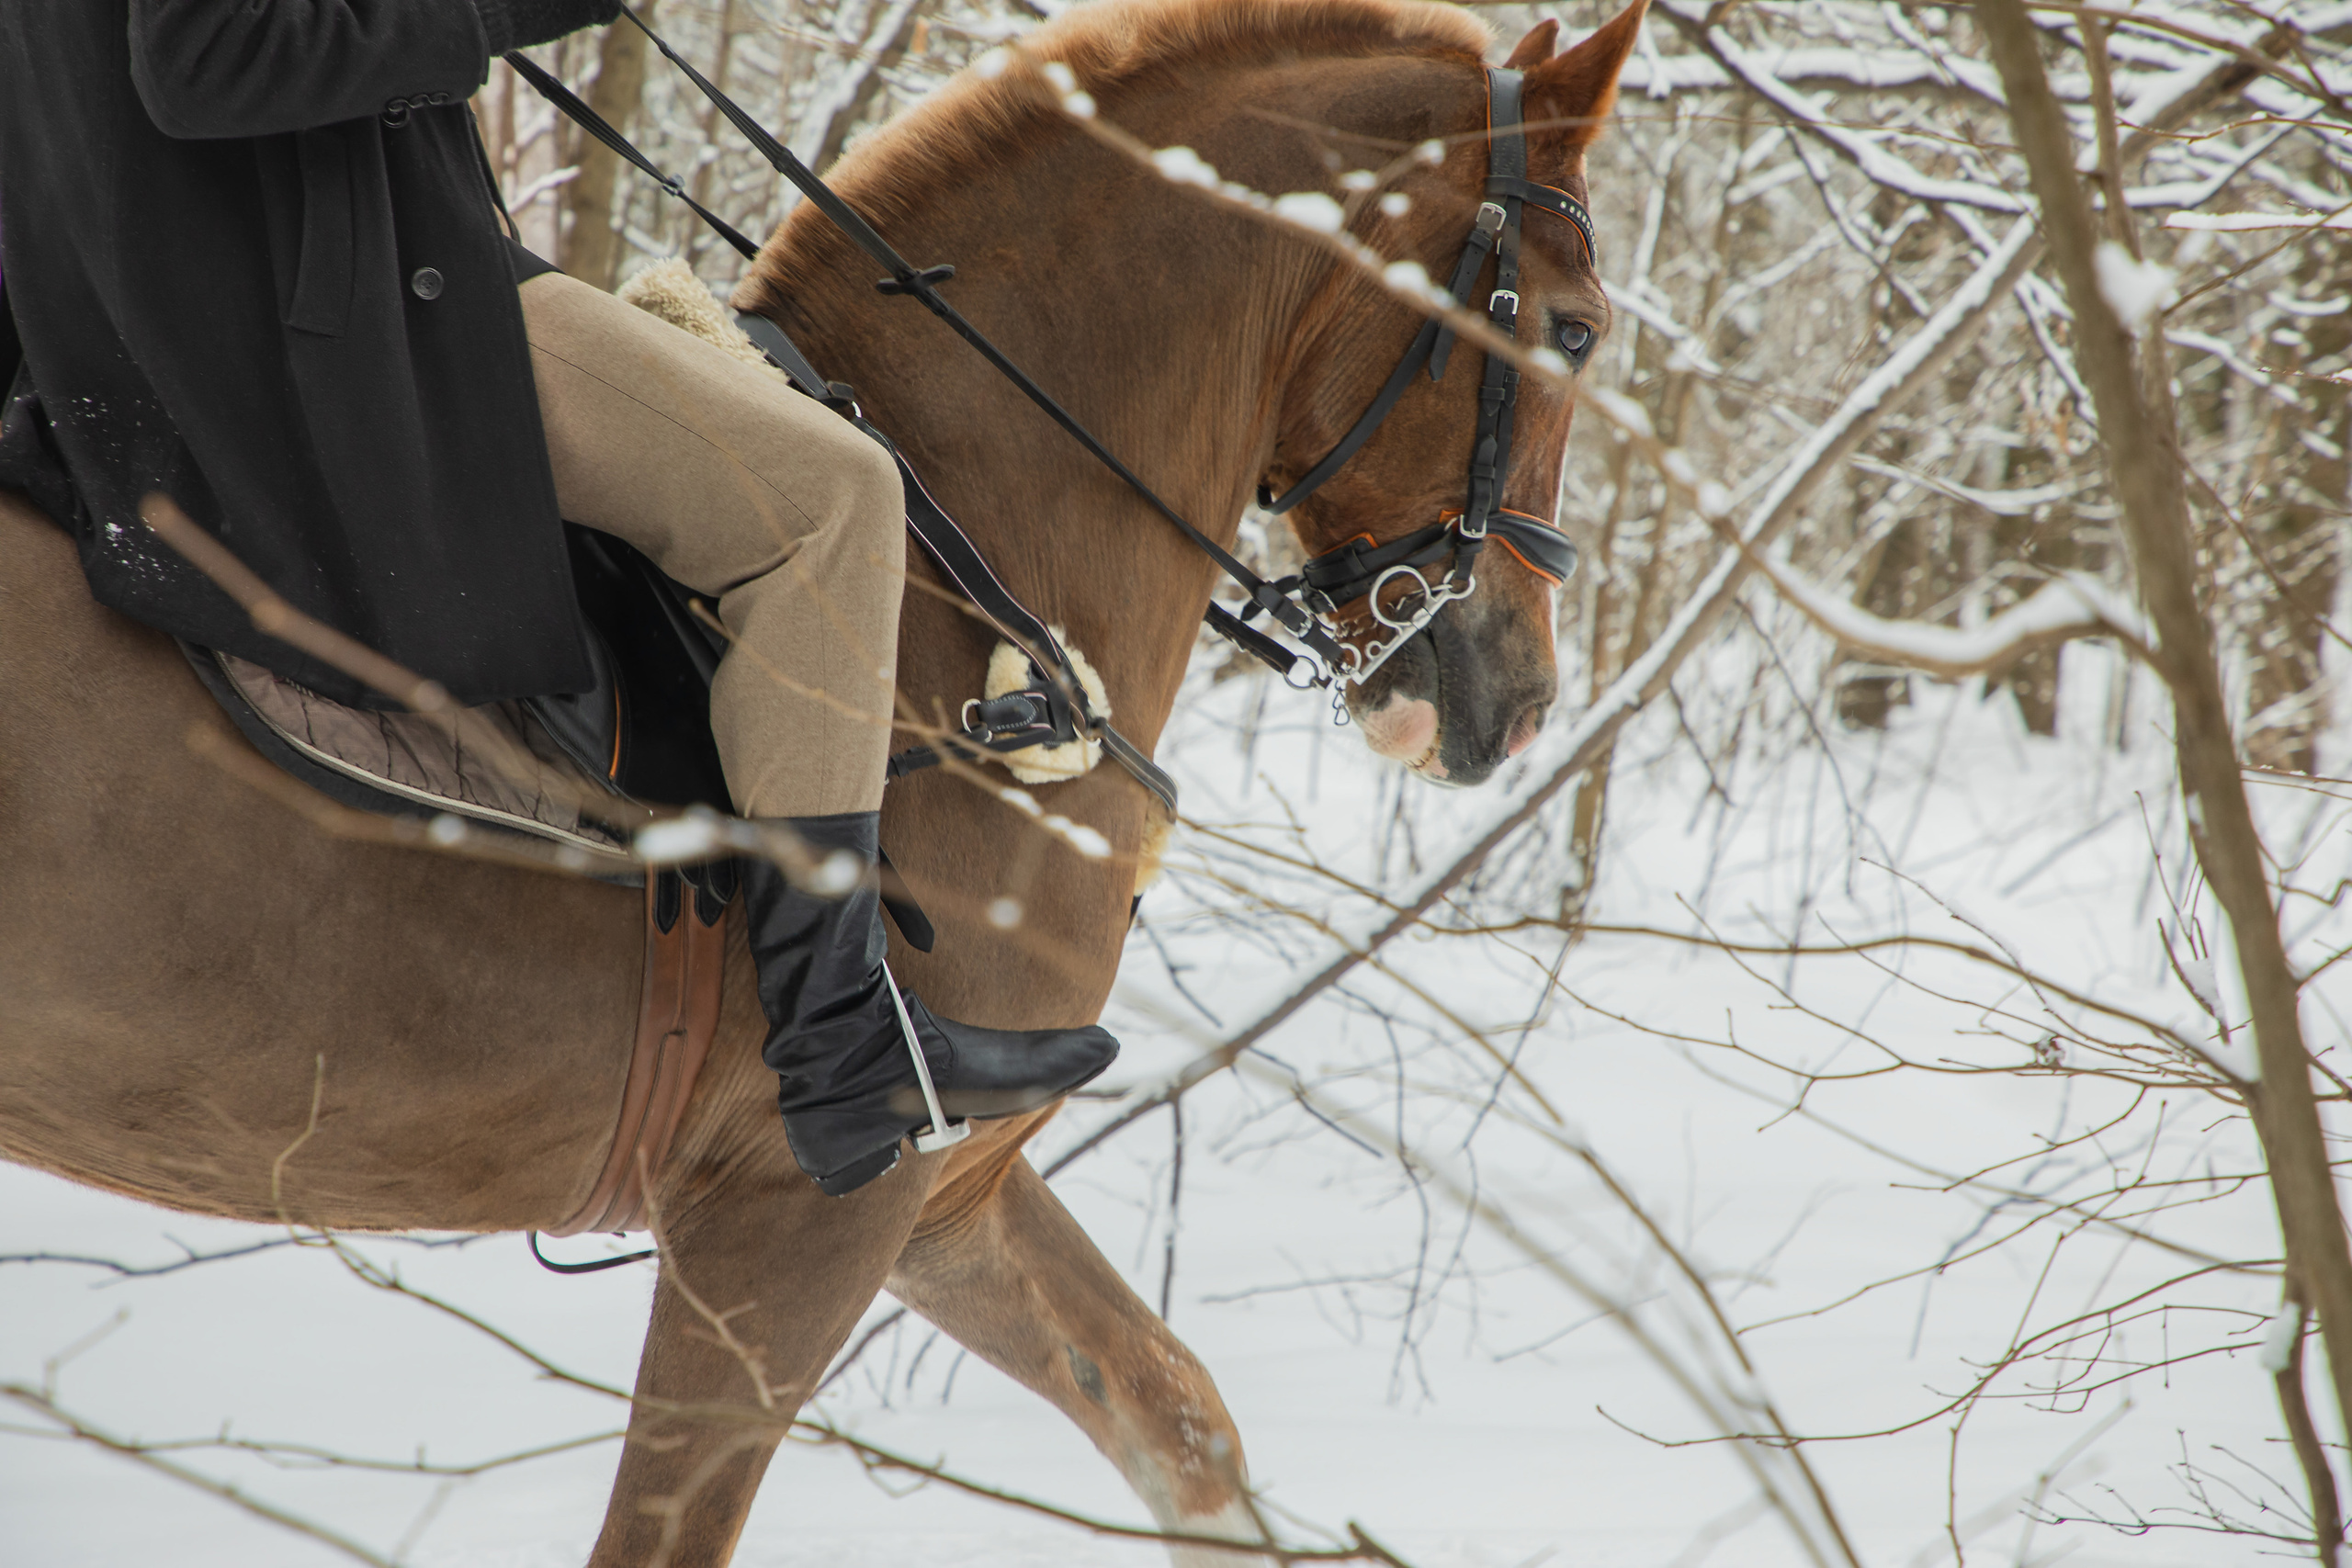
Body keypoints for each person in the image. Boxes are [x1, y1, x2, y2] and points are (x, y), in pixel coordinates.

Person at [0, 0, 1117, 1196]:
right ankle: (841, 1042)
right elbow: (205, 60)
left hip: (155, 332)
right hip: (309, 337)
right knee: (828, 495)